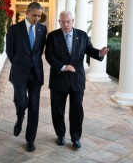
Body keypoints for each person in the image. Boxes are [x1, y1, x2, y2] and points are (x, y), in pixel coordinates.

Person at [45, 10, 109, 149]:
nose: (66, 24)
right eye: (63, 22)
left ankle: (76, 138)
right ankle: (60, 135)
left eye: (68, 21)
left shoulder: (82, 35)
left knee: (77, 111)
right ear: (59, 22)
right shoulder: (52, 36)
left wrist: (100, 53)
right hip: (58, 80)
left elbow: (90, 50)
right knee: (57, 110)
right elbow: (49, 55)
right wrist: (63, 67)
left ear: (73, 21)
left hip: (77, 81)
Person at [6, 2, 47, 152]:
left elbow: (39, 50)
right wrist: (20, 64)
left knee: (34, 107)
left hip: (36, 73)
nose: (37, 18)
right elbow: (10, 52)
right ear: (27, 13)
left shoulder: (43, 29)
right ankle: (20, 117)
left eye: (39, 15)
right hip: (19, 73)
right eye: (34, 15)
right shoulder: (14, 30)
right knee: (22, 102)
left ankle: (30, 139)